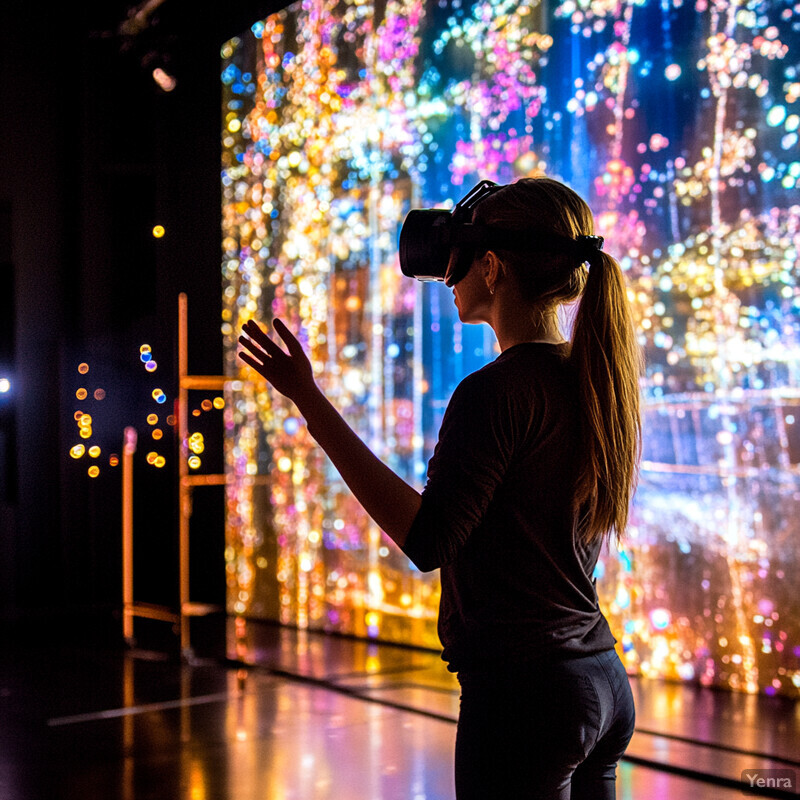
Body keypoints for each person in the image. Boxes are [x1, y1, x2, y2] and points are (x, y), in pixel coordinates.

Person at [238, 176, 641, 799]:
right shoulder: (590, 379)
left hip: (524, 699)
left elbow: (430, 540)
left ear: (492, 266)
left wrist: (311, 403)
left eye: (462, 255)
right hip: (600, 683)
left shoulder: (496, 392)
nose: (447, 273)